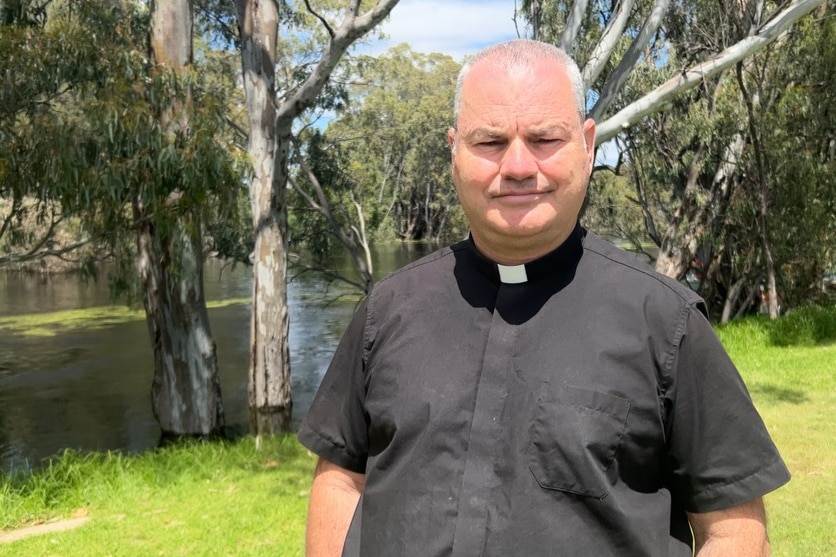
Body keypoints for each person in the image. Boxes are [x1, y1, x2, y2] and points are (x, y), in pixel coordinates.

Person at [298, 39, 790, 556]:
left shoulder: (667, 323)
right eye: (489, 142)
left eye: (544, 139)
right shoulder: (388, 310)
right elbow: (340, 478)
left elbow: (732, 527)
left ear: (587, 144)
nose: (516, 165)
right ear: (454, 150)